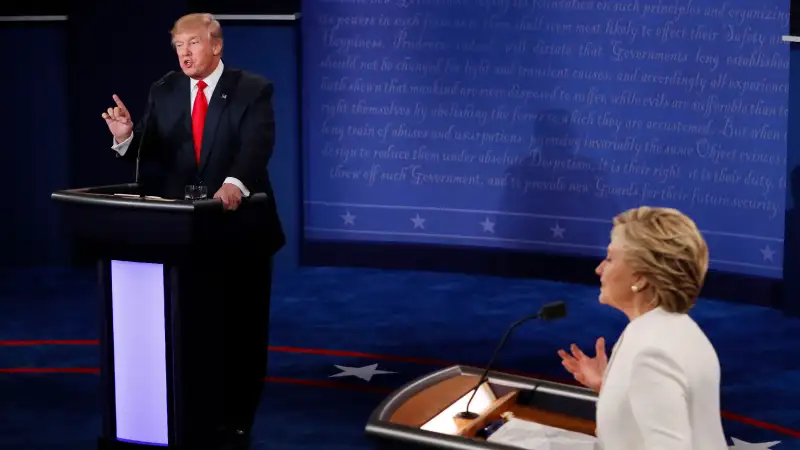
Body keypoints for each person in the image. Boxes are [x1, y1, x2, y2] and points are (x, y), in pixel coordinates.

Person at [101, 13, 285, 450]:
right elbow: (153, 149)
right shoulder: (163, 90)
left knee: (242, 328)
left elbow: (256, 147)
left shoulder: (252, 89)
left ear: (216, 46)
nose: (184, 53)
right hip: (184, 236)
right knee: (194, 329)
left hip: (240, 230)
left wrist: (233, 184)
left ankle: (238, 418)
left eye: (193, 43)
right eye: (178, 45)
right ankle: (194, 408)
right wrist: (127, 137)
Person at [558, 206, 728, 450]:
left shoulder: (652, 353)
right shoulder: (677, 330)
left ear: (640, 278)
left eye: (610, 258)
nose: (599, 269)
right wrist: (610, 387)